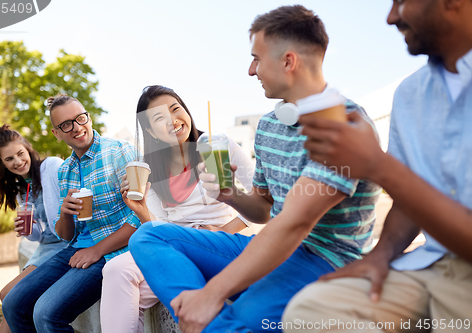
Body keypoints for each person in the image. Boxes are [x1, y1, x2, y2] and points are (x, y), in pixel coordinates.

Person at [128, 6, 381, 333]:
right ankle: (208, 322)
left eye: (257, 59)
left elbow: (295, 224)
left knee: (241, 320)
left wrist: (212, 293)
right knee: (149, 236)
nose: (250, 70)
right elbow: (263, 208)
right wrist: (230, 194)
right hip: (273, 249)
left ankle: (214, 320)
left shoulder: (343, 124)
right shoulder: (269, 125)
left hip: (327, 261)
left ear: (288, 61)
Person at [283, 0, 472, 332]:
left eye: (402, 2)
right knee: (309, 312)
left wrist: (377, 165)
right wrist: (380, 255)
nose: (390, 17)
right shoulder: (411, 93)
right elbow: (410, 202)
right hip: (433, 263)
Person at [99, 85, 255, 333]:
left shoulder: (217, 145)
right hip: (173, 245)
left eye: (175, 109)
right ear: (150, 130)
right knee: (116, 270)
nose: (173, 120)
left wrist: (222, 230)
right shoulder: (149, 167)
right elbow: (157, 228)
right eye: (160, 118)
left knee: (126, 286)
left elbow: (264, 199)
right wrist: (139, 209)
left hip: (220, 243)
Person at [2, 94, 141, 333]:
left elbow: (140, 217)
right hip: (75, 250)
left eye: (80, 118)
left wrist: (96, 250)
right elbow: (66, 235)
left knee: (46, 314)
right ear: (57, 133)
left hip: (113, 252)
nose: (77, 127)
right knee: (13, 303)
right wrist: (65, 214)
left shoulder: (119, 152)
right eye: (66, 124)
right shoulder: (65, 169)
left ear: (88, 117)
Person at [0, 125, 66, 333]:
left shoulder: (51, 166)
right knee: (9, 301)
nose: (17, 161)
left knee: (8, 296)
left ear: (28, 149)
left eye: (20, 153)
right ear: (3, 163)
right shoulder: (23, 189)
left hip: (65, 245)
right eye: (9, 159)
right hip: (44, 248)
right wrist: (27, 229)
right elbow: (36, 237)